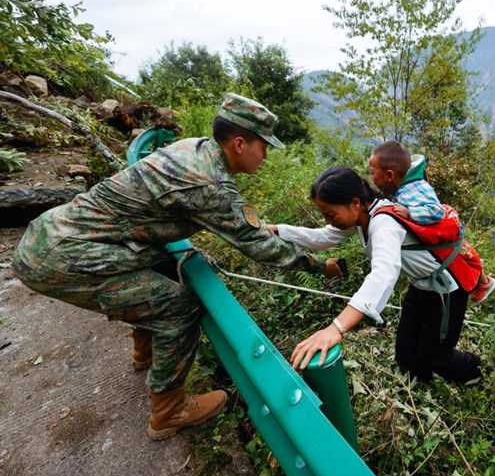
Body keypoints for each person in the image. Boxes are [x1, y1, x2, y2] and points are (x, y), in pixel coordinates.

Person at [12, 93, 341, 440]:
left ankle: (145, 352)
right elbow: (260, 245)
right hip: (64, 256)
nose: (266, 155)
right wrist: (320, 266)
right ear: (241, 143)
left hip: (57, 234)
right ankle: (169, 411)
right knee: (179, 309)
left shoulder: (195, 149)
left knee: (163, 263)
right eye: (264, 147)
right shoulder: (210, 184)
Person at [272, 166, 483, 385]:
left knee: (437, 357)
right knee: (406, 355)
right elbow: (322, 238)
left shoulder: (384, 222)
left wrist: (337, 328)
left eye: (330, 214)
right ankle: (420, 390)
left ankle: (476, 373)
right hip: (420, 287)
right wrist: (277, 230)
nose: (328, 221)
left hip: (447, 291)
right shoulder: (364, 217)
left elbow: (384, 273)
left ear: (355, 203)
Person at [367, 141, 495, 302]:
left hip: (441, 231)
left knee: (464, 254)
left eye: (372, 173)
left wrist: (410, 213)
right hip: (436, 234)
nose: (371, 177)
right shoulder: (401, 185)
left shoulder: (413, 189)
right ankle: (483, 282)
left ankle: (484, 283)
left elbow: (436, 211)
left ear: (389, 175)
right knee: (464, 253)